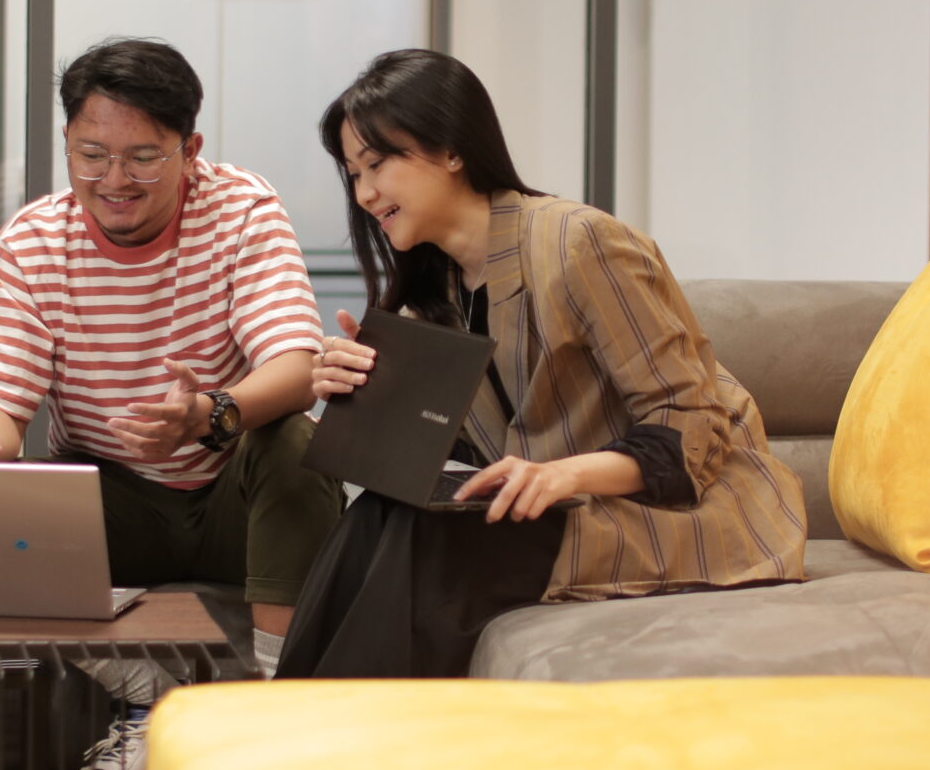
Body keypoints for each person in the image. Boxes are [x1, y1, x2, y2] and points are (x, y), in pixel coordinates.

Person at [283, 48, 806, 678]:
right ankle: (286, 717)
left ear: (451, 150)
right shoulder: (436, 293)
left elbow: (689, 426)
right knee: (378, 513)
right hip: (546, 507)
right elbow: (452, 458)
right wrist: (363, 392)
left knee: (432, 541)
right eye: (353, 174)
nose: (365, 193)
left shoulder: (578, 243)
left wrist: (563, 475)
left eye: (378, 163)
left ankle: (342, 731)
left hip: (677, 510)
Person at [0, 38, 343, 770]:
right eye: (92, 155)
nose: (114, 180)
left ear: (191, 149)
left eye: (144, 157)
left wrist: (209, 414)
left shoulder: (242, 208)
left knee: (296, 443)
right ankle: (151, 698)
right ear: (67, 143)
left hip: (229, 497)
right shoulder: (33, 242)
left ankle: (273, 702)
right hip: (116, 502)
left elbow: (294, 365)